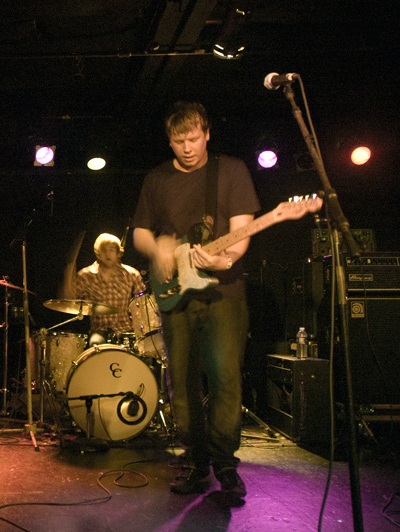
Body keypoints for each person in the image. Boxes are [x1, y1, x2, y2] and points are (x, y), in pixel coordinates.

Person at [131, 101, 260, 500]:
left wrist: (227, 257)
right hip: (175, 295)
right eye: (177, 140)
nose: (186, 147)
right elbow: (138, 233)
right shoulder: (157, 179)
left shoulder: (232, 170)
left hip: (225, 291)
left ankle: (225, 464)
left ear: (207, 134)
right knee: (181, 383)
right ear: (168, 140)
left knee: (225, 379)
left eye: (192, 138)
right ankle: (193, 460)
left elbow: (243, 229)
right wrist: (159, 249)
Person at [61, 233, 145, 346]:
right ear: (98, 253)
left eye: (111, 250)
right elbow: (69, 300)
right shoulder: (86, 275)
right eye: (104, 250)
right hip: (99, 331)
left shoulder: (131, 274)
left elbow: (143, 303)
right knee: (95, 344)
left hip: (125, 330)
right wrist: (68, 274)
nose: (108, 254)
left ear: (118, 253)